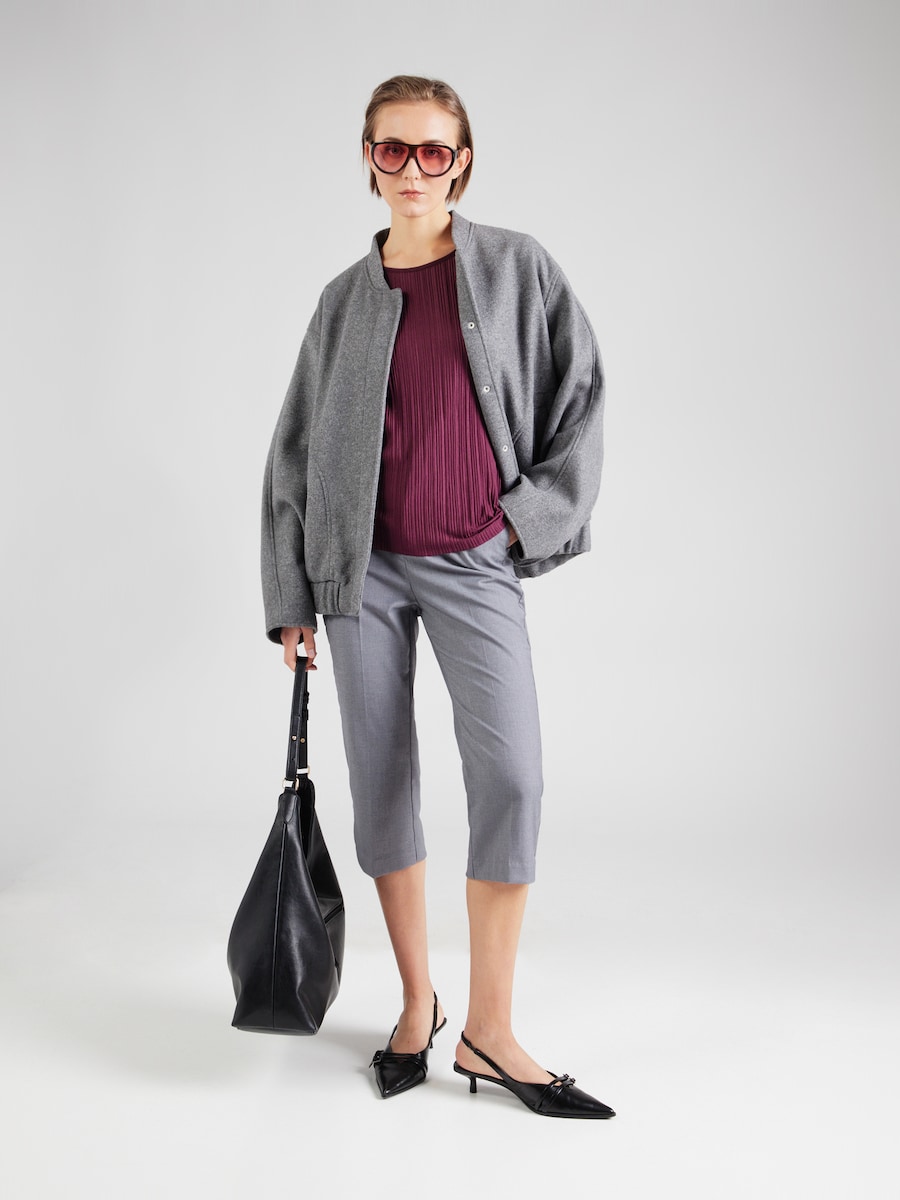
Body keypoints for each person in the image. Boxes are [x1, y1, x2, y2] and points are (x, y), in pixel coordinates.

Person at [261, 75, 614, 1119]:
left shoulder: (516, 269)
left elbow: (583, 397)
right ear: (368, 160)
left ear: (461, 162)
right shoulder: (341, 301)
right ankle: (417, 1005)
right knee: (382, 784)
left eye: (432, 151)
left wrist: (526, 521)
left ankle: (490, 1030)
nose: (412, 169)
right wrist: (293, 593)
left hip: (473, 560)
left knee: (513, 777)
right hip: (360, 571)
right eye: (392, 150)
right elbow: (292, 453)